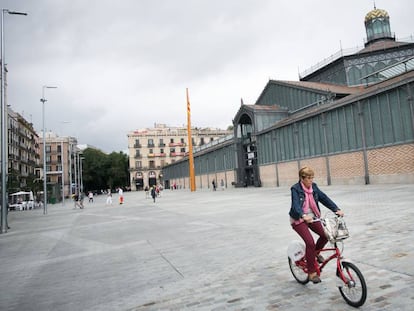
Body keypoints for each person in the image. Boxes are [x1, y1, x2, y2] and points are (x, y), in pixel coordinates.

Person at [289, 166, 344, 284]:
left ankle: (314, 254)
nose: (311, 180)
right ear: (302, 179)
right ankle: (311, 272)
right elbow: (295, 205)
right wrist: (303, 216)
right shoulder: (295, 189)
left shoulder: (313, 187)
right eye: (308, 178)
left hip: (312, 217)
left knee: (326, 235)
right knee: (310, 243)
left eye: (312, 178)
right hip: (298, 218)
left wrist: (336, 209)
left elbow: (324, 198)